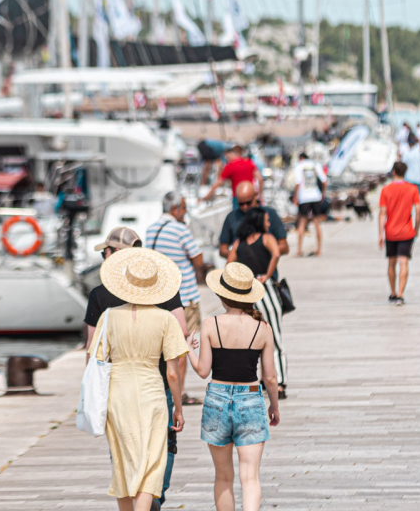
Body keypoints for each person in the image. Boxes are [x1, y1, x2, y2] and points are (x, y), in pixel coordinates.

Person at [85, 228, 189, 508]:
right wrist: (179, 407)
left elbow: (94, 356)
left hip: (117, 394)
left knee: (121, 463)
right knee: (152, 464)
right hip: (152, 392)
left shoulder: (108, 316)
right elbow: (172, 372)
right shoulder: (165, 319)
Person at [185, 263, 281, 511]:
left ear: (222, 295)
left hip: (216, 399)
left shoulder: (210, 324)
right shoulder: (263, 328)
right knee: (250, 478)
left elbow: (203, 371)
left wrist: (188, 349)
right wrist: (274, 406)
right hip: (250, 400)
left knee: (223, 477)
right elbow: (270, 377)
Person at [218, 182, 289, 397]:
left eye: (248, 203)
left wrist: (240, 264)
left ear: (256, 197)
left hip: (245, 291)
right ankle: (276, 382)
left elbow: (228, 260)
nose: (245, 207)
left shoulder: (241, 240)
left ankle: (255, 381)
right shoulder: (263, 236)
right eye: (241, 204)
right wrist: (265, 272)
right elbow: (276, 252)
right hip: (262, 288)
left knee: (248, 337)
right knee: (270, 336)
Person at [146, 192, 210, 404]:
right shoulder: (180, 229)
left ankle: (165, 387)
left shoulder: (151, 229)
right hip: (184, 296)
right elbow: (198, 260)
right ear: (174, 209)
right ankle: (179, 393)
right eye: (183, 207)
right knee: (182, 345)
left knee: (163, 346)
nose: (186, 211)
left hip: (160, 297)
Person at [378, 161, 420, 306]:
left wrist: (380, 234)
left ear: (393, 172)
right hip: (407, 231)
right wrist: (417, 228)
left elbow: (382, 213)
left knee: (391, 263)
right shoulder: (412, 189)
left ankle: (393, 292)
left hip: (390, 232)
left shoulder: (385, 190)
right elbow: (418, 210)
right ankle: (401, 294)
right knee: (404, 262)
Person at [290, 152, 329, 257]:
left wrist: (295, 196)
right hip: (315, 196)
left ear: (301, 158)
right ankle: (319, 249)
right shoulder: (315, 165)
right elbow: (324, 181)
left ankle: (299, 250)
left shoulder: (299, 166)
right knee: (317, 223)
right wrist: (322, 194)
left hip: (304, 197)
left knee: (302, 222)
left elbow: (298, 182)